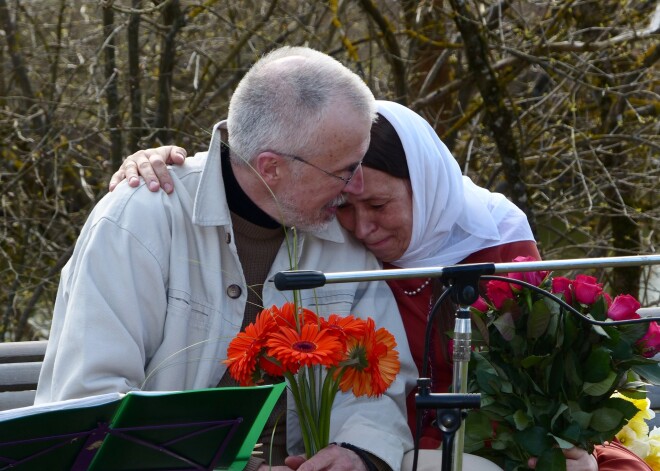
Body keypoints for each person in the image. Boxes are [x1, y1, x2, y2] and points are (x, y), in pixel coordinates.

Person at [112, 100, 653, 471]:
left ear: (428, 181)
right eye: (345, 205)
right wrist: (164, 160)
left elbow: (536, 380)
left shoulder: (495, 239)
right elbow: (269, 161)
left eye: (379, 205)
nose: (363, 226)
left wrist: (556, 444)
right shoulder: (336, 247)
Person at [36, 47, 419, 471]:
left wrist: (357, 453)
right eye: (344, 169)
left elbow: (378, 382)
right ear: (271, 168)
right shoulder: (141, 219)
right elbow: (94, 396)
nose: (356, 186)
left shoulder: (342, 240)